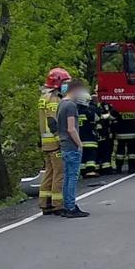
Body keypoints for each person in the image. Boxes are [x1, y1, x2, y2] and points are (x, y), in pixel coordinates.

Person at [38, 67, 71, 215]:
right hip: (55, 142)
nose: (67, 86)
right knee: (59, 173)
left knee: (49, 173)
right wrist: (61, 140)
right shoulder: (54, 99)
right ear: (57, 83)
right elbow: (53, 122)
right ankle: (58, 205)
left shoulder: (43, 97)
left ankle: (45, 203)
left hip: (46, 142)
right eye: (65, 83)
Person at [55, 79, 91, 218]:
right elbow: (71, 128)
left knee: (67, 177)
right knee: (72, 177)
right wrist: (79, 144)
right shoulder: (70, 105)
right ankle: (71, 207)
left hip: (64, 144)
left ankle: (66, 206)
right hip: (71, 145)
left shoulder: (61, 104)